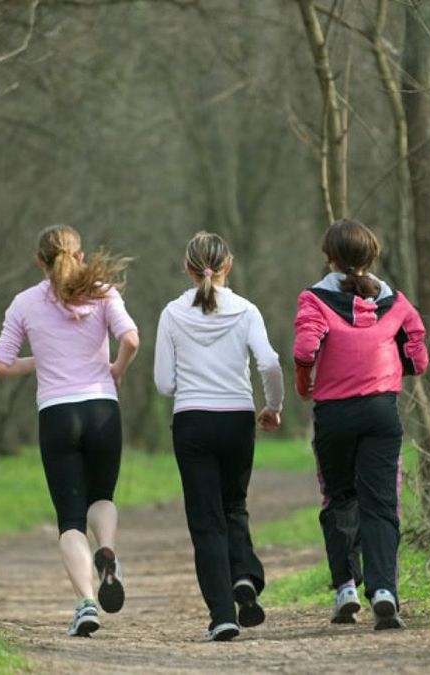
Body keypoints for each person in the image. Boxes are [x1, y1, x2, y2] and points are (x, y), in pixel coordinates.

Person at [0, 224, 140, 638]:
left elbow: (1, 365)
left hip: (57, 414)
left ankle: (86, 602)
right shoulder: (103, 291)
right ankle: (107, 551)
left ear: (40, 261)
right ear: (79, 254)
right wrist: (116, 371)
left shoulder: (24, 303)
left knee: (70, 520)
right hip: (101, 410)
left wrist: (41, 360)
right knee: (102, 498)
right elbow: (131, 339)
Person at [293, 218, 428, 631]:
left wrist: (305, 385)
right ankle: (385, 592)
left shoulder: (314, 299)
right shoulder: (396, 301)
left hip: (334, 414)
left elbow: (304, 349)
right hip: (381, 411)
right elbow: (418, 358)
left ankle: (346, 588)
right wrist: (392, 369)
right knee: (382, 503)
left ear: (329, 257)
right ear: (372, 257)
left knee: (339, 498)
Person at [154, 231, 284, 642]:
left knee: (205, 519)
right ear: (228, 266)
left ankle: (222, 616)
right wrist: (274, 406)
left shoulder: (172, 313)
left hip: (192, 421)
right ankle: (244, 575)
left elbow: (163, 383)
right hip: (237, 419)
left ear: (187, 268)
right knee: (234, 505)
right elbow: (270, 363)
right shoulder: (246, 311)